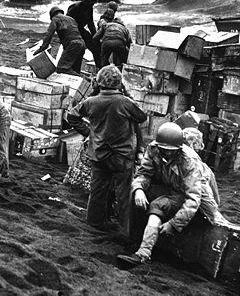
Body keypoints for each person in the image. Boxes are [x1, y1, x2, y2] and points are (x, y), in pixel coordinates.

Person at [117, 122, 229, 268]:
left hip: (193, 192)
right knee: (135, 195)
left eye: (172, 150)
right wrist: (138, 189)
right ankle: (134, 240)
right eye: (164, 150)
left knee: (213, 219)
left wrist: (174, 224)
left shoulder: (189, 161)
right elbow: (144, 174)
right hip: (168, 186)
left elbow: (194, 199)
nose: (168, 153)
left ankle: (143, 254)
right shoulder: (153, 149)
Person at [67, 64, 147, 239]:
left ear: (99, 82)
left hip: (98, 154)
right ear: (119, 83)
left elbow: (71, 116)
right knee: (124, 193)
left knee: (97, 191)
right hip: (122, 156)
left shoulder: (91, 102)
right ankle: (125, 230)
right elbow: (142, 117)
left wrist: (89, 133)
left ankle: (94, 223)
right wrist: (127, 94)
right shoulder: (125, 102)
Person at [34, 7, 85, 75]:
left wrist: (40, 49)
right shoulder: (71, 19)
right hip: (82, 43)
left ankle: (86, 79)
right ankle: (87, 82)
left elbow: (48, 36)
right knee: (75, 71)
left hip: (73, 45)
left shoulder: (55, 19)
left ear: (52, 15)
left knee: (62, 68)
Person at [67, 0, 100, 67]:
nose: (92, 5)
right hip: (72, 30)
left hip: (81, 29)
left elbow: (90, 24)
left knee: (95, 47)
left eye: (93, 4)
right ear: (86, 2)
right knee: (78, 48)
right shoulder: (75, 7)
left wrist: (95, 37)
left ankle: (99, 67)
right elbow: (66, 21)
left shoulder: (89, 8)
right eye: (91, 3)